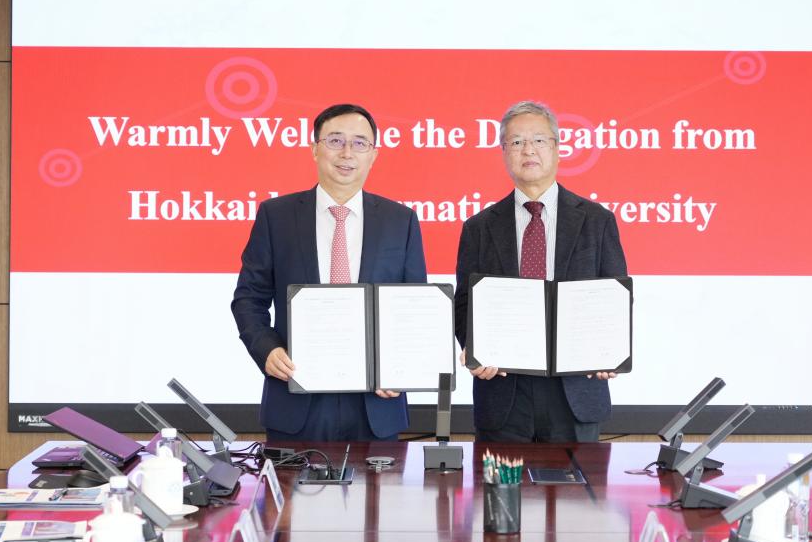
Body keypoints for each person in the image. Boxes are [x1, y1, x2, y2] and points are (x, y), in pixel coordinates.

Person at [232, 102, 427, 441]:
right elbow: (249, 298)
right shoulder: (276, 216)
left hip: (376, 402)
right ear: (315, 149)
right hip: (295, 395)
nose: (347, 153)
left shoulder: (401, 221)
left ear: (374, 155)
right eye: (335, 141)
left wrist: (401, 368)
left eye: (359, 143)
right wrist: (267, 349)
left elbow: (414, 308)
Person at [454, 100, 628, 442]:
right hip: (503, 392)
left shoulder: (597, 221)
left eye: (538, 140)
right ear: (504, 152)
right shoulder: (479, 227)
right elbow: (464, 304)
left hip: (576, 390)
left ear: (557, 149)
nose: (528, 150)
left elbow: (615, 297)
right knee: (500, 480)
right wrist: (475, 349)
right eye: (517, 142)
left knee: (577, 481)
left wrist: (609, 349)